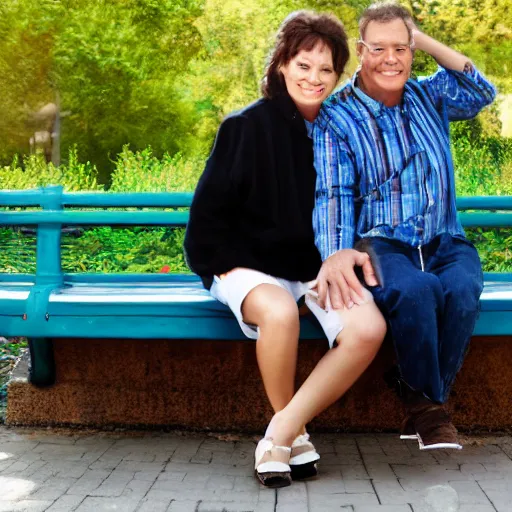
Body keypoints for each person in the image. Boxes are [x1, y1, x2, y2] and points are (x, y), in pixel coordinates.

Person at [184, 11, 386, 488]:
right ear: (281, 64)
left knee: (367, 329)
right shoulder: (246, 127)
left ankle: (281, 430)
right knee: (280, 313)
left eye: (326, 69)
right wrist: (221, 269)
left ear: (338, 75)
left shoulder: (341, 130)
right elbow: (208, 216)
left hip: (315, 264)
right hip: (244, 262)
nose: (314, 78)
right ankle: (287, 439)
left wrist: (349, 254)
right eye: (303, 65)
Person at [312, 2, 496, 451]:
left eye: (401, 48)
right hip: (383, 244)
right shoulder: (337, 116)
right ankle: (429, 411)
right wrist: (336, 251)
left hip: (444, 237)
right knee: (417, 291)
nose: (391, 59)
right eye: (379, 48)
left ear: (412, 51)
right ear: (361, 51)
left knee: (462, 288)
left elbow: (481, 91)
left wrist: (422, 38)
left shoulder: (430, 95)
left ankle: (417, 391)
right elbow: (332, 190)